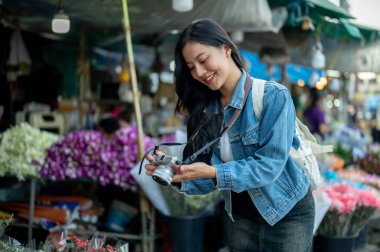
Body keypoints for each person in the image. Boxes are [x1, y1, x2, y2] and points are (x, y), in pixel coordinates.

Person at [145, 19, 314, 252]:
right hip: (241, 217)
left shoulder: (273, 96)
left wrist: (215, 172)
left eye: (203, 60)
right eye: (191, 67)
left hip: (287, 212)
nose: (199, 72)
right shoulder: (206, 110)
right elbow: (208, 179)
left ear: (226, 49)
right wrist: (176, 175)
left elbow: (270, 166)